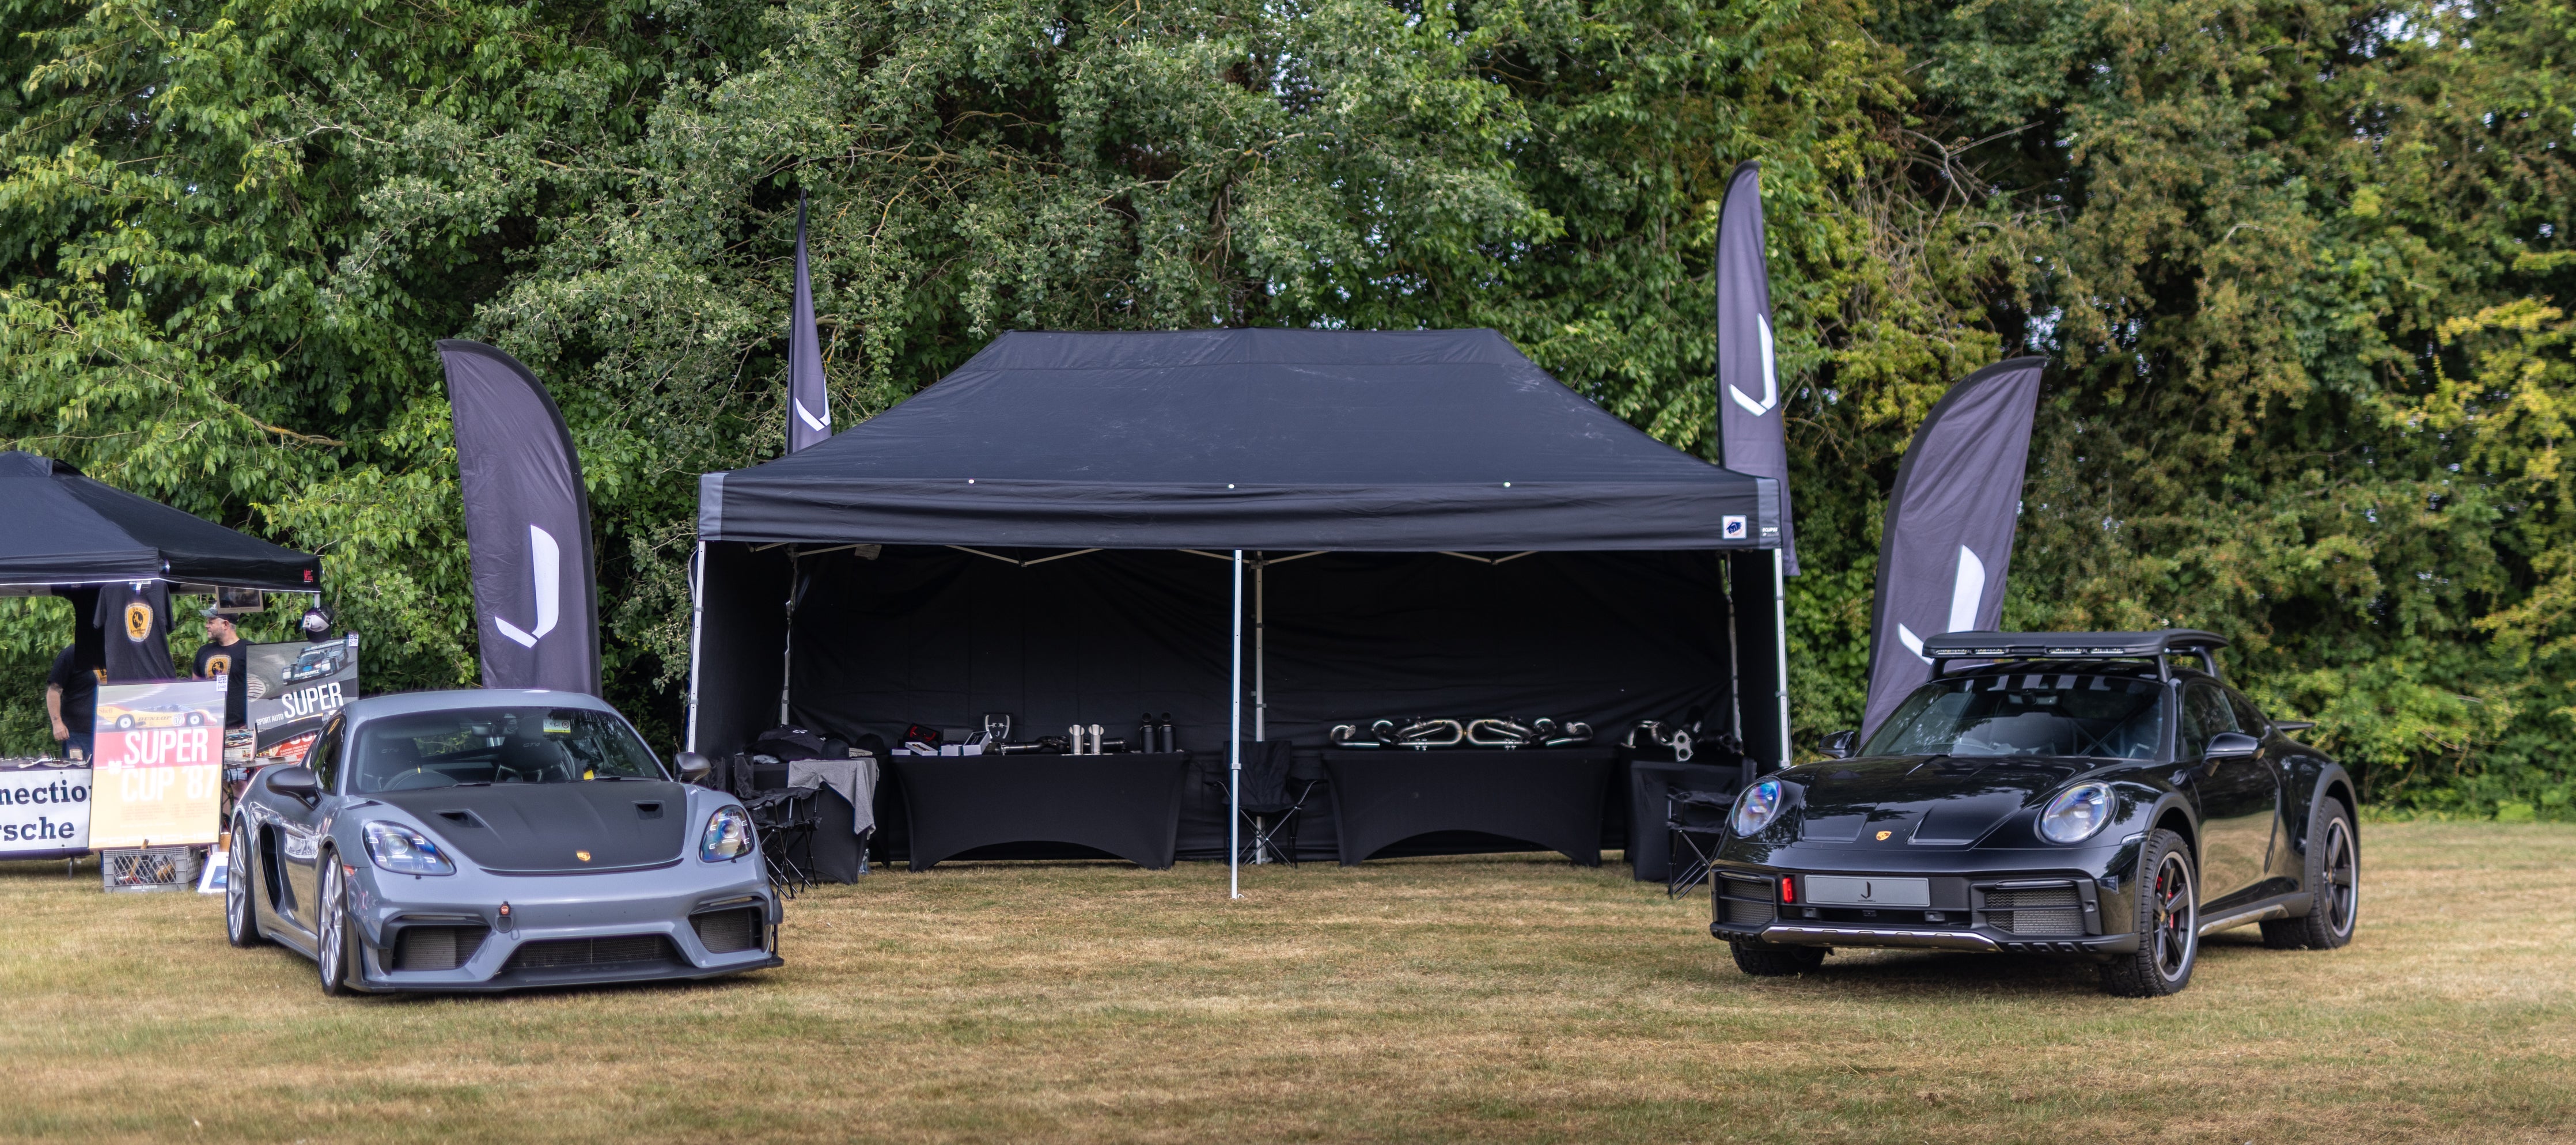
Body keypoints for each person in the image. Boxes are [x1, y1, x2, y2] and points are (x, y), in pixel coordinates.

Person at [192, 607, 250, 728]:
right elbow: (196, 688)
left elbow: (261, 693)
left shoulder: (249, 650)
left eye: (211, 622)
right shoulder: (203, 651)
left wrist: (249, 723)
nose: (206, 626)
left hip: (241, 727)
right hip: (210, 726)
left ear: (225, 625)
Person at [46, 644, 99, 761]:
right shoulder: (72, 654)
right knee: (80, 771)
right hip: (78, 734)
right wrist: (57, 723)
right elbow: (54, 691)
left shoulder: (115, 653)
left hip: (111, 731)